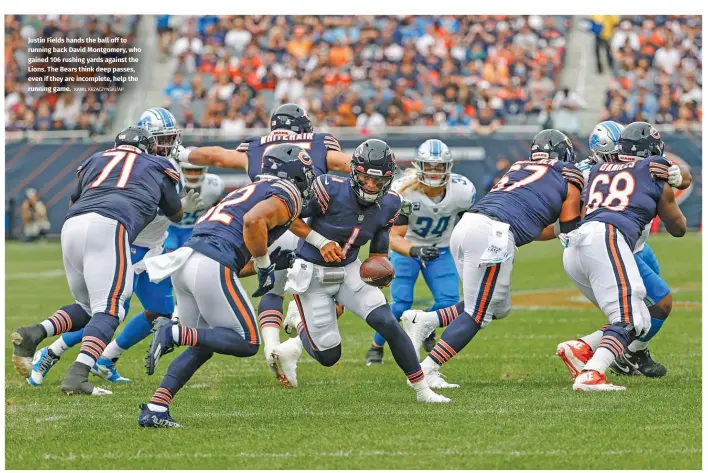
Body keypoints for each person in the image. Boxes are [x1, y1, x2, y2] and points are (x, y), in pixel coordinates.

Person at [136, 143, 315, 427]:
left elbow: (233, 256)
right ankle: (172, 332)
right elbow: (253, 220)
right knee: (247, 342)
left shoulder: (249, 192)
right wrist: (265, 263)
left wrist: (262, 263)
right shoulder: (285, 193)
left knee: (203, 342)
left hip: (188, 261)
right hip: (209, 263)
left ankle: (156, 407)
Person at [171, 103, 352, 378]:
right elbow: (347, 165)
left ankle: (271, 346)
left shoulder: (257, 147)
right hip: (308, 229)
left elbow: (219, 157)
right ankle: (295, 329)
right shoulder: (317, 143)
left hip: (270, 230)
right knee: (332, 294)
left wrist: (181, 153)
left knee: (272, 289)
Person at [26, 108, 204, 386]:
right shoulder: (149, 166)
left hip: (152, 248)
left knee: (159, 310)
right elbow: (159, 209)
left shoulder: (166, 166)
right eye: (164, 138)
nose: (170, 144)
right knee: (106, 308)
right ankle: (51, 352)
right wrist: (179, 209)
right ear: (148, 140)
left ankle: (107, 358)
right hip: (123, 242)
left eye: (171, 137)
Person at [269, 139, 450, 403]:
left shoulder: (391, 203)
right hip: (312, 271)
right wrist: (321, 242)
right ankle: (299, 321)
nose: (371, 186)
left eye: (379, 181)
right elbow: (287, 215)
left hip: (349, 269)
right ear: (354, 172)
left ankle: (423, 391)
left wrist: (381, 268)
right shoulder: (328, 188)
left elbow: (378, 249)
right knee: (329, 356)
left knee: (387, 322)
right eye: (366, 178)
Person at [401, 130, 584, 387]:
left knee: (498, 306)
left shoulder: (520, 166)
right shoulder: (568, 175)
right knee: (478, 313)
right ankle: (427, 370)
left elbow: (530, 226)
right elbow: (570, 229)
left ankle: (426, 320)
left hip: (469, 228)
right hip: (492, 234)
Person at [558, 121, 692, 383]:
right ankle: (592, 367)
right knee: (637, 314)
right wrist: (666, 187)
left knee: (639, 314)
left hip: (587, 243)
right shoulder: (652, 169)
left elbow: (682, 175)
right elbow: (679, 229)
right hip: (610, 241)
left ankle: (588, 350)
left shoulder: (595, 170)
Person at [365, 139, 476, 365]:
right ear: (419, 166)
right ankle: (376, 346)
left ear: (448, 167)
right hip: (409, 250)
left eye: (439, 166)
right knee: (400, 305)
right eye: (430, 166)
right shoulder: (405, 192)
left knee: (449, 304)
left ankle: (425, 320)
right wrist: (416, 250)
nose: (434, 172)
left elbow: (471, 225)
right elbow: (394, 237)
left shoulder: (462, 191)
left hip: (441, 250)